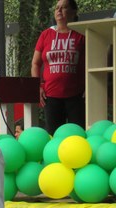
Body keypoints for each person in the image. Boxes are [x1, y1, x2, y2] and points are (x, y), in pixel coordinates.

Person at [31, 0, 85, 134]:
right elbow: (35, 64)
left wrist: (88, 88)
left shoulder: (82, 34)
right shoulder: (45, 35)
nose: (59, 10)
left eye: (64, 7)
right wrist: (38, 86)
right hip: (51, 96)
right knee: (53, 135)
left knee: (77, 135)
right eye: (57, 8)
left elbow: (90, 63)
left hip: (76, 96)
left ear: (73, 12)